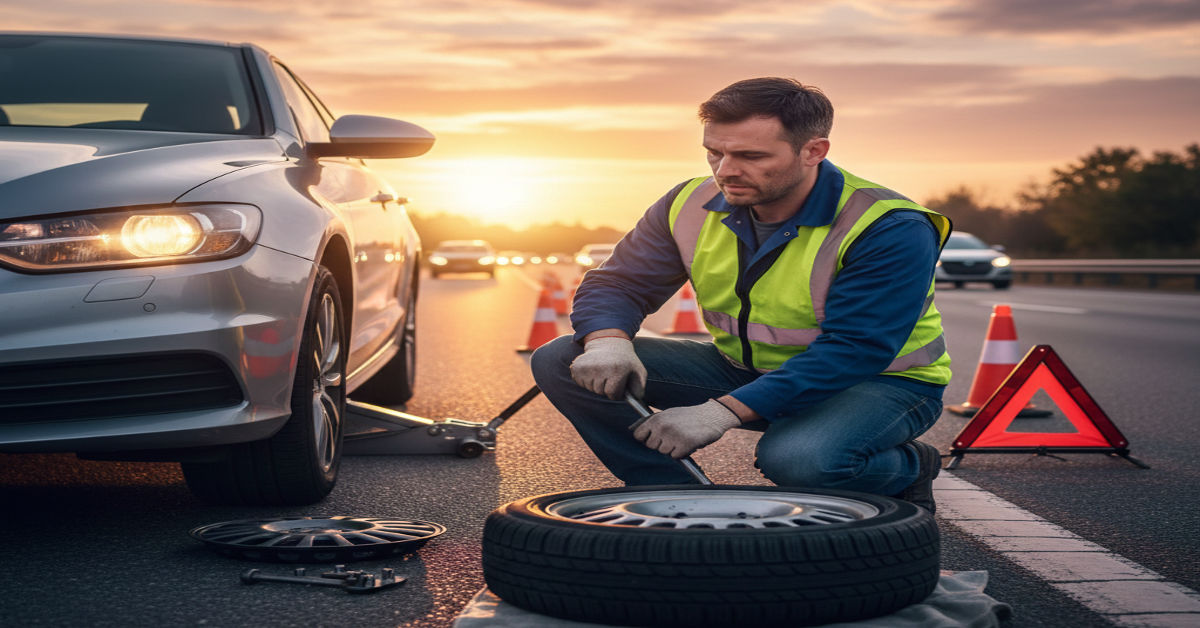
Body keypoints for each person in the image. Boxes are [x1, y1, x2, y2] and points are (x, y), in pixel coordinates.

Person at [530, 77, 950, 513]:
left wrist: (721, 412)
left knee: (798, 460)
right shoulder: (690, 202)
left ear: (813, 151)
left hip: (877, 383)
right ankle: (678, 494)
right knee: (561, 358)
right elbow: (619, 281)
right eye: (715, 152)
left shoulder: (888, 225)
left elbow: (855, 350)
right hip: (746, 368)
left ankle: (909, 467)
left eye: (751, 156)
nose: (726, 170)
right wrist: (608, 341)